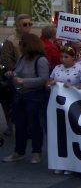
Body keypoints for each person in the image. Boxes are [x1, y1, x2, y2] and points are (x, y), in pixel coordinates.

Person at [2, 33, 49, 164]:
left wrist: (24, 81)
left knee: (34, 124)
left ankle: (36, 152)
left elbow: (43, 79)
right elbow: (18, 71)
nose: (20, 45)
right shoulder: (22, 58)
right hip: (20, 95)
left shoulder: (41, 60)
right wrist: (11, 74)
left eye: (22, 43)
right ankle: (19, 151)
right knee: (20, 124)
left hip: (34, 96)